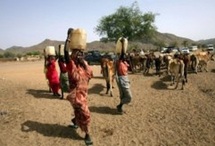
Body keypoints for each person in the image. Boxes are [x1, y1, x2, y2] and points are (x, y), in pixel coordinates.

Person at [64, 28, 93, 145]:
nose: (80, 54)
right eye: (77, 53)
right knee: (85, 113)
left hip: (84, 94)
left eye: (81, 53)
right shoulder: (71, 65)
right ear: (73, 56)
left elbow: (89, 76)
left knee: (78, 110)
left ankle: (75, 121)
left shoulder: (85, 65)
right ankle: (87, 134)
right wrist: (68, 37)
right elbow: (65, 54)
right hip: (76, 95)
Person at [115, 38, 132, 114]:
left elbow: (130, 69)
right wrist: (122, 44)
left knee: (124, 95)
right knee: (128, 97)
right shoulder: (119, 62)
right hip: (121, 79)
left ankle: (120, 106)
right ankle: (120, 106)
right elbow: (122, 54)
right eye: (124, 55)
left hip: (125, 78)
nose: (125, 56)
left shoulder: (125, 63)